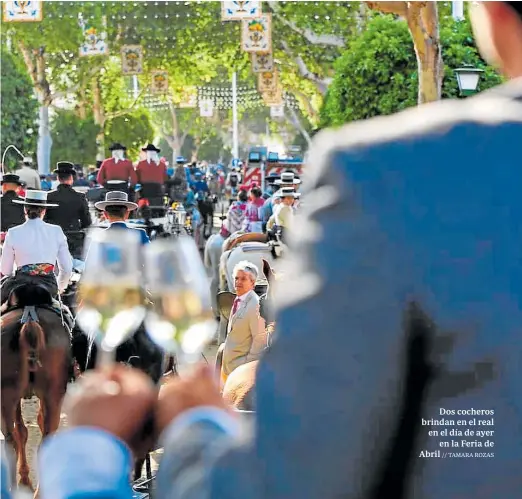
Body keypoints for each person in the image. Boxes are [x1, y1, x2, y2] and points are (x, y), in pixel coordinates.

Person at [33, 3, 522, 499]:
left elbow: (297, 475)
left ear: (494, 13)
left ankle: (87, 373)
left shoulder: (379, 169)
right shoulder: (124, 194)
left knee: (77, 318)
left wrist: (186, 432)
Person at [0, 190, 72, 305]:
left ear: (25, 209)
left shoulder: (13, 232)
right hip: (48, 285)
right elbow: (67, 269)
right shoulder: (56, 231)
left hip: (19, 285)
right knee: (67, 316)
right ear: (44, 210)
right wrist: (60, 287)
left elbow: (5, 270)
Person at [220, 260, 266, 387]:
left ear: (253, 283)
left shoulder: (255, 305)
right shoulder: (238, 299)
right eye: (236, 278)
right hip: (228, 368)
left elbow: (260, 339)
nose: (238, 282)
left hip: (240, 372)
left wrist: (246, 367)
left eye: (243, 279)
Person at [44, 162, 92, 259]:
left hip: (53, 241)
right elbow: (87, 222)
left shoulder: (48, 196)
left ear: (58, 178)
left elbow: (44, 220)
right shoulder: (80, 197)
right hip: (74, 240)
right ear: (71, 178)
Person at [204, 223, 231, 322]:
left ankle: (216, 308)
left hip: (219, 238)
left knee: (216, 277)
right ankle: (217, 309)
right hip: (223, 241)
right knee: (218, 277)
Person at [135, 144, 167, 214]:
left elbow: (137, 179)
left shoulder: (141, 164)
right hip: (158, 193)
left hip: (145, 193)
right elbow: (164, 179)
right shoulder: (162, 165)